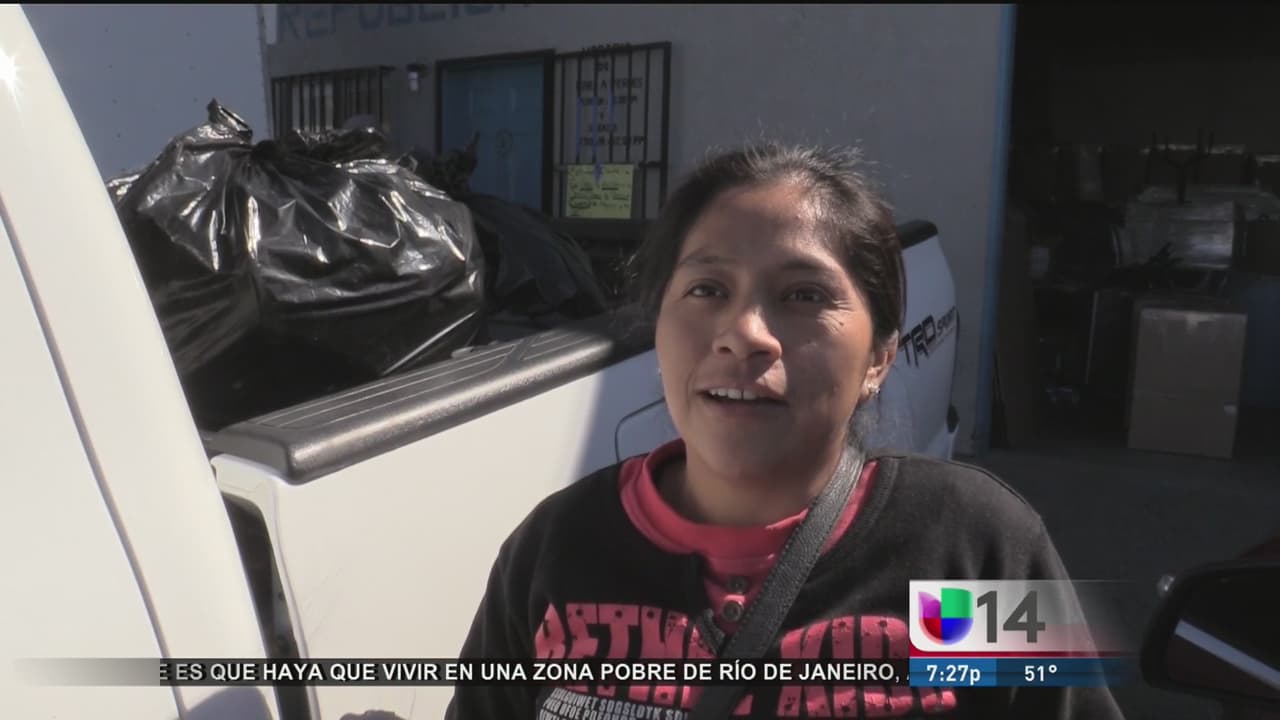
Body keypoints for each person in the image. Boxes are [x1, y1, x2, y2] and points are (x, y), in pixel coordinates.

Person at [446, 143, 1125, 719]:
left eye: (804, 295)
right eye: (707, 290)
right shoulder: (557, 547)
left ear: (879, 357)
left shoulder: (976, 547)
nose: (743, 334)